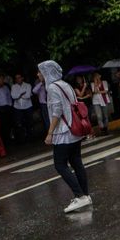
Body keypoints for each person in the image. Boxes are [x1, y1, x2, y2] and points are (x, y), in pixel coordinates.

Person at [39, 60, 92, 213]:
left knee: (60, 164)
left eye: (40, 72)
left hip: (63, 132)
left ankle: (79, 196)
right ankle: (85, 195)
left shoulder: (52, 88)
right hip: (74, 130)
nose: (38, 75)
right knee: (76, 162)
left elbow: (57, 112)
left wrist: (50, 133)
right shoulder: (65, 84)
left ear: (47, 72)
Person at [10, 72, 34, 142]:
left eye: (19, 77)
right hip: (17, 108)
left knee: (29, 122)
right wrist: (21, 94)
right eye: (16, 78)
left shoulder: (28, 85)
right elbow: (13, 96)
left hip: (28, 106)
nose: (17, 79)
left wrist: (18, 95)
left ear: (22, 78)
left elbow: (28, 96)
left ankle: (30, 138)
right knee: (19, 124)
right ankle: (22, 139)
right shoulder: (13, 86)